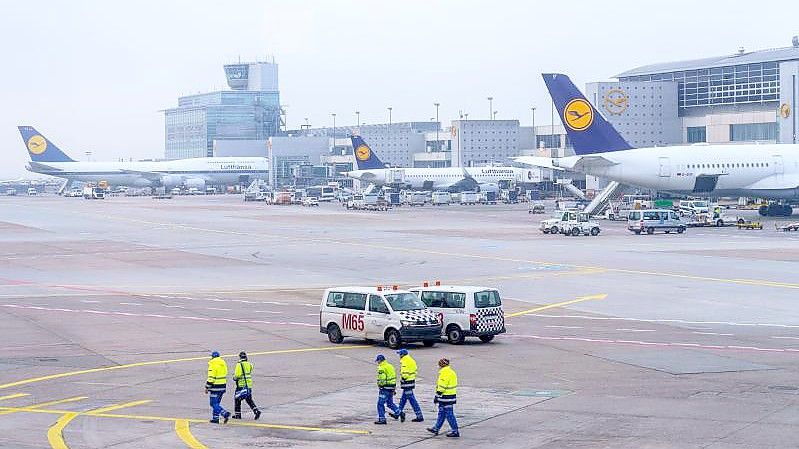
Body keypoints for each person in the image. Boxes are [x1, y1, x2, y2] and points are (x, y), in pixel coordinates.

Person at [427, 358, 459, 437]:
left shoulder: (444, 373)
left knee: (449, 414)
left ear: (441, 365)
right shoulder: (451, 372)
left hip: (445, 397)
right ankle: (436, 428)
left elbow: (442, 387)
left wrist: (437, 396)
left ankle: (455, 431)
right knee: (442, 413)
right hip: (451, 396)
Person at [232, 351, 261, 420]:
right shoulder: (249, 364)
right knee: (249, 399)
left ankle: (238, 415)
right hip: (248, 385)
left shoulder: (239, 364)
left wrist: (234, 378)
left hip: (241, 385)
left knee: (237, 399)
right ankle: (256, 411)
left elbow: (238, 375)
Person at [374, 354, 403, 425]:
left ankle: (382, 419)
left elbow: (382, 379)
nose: (377, 362)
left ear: (380, 361)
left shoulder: (381, 368)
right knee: (390, 403)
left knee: (380, 404)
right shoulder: (390, 366)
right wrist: (394, 388)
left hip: (385, 388)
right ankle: (399, 412)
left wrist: (380, 385)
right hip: (391, 387)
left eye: (378, 361)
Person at [396, 349, 423, 422]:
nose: (399, 356)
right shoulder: (411, 360)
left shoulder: (405, 361)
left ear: (402, 355)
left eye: (399, 354)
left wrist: (403, 378)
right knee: (403, 399)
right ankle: (397, 413)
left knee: (412, 399)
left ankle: (419, 416)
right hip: (411, 381)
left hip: (407, 382)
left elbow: (405, 372)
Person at [206, 351, 231, 424]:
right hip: (223, 386)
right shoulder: (223, 363)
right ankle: (215, 418)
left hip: (215, 387)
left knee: (213, 403)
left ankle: (224, 413)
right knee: (217, 403)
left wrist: (207, 387)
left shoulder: (212, 364)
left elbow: (211, 377)